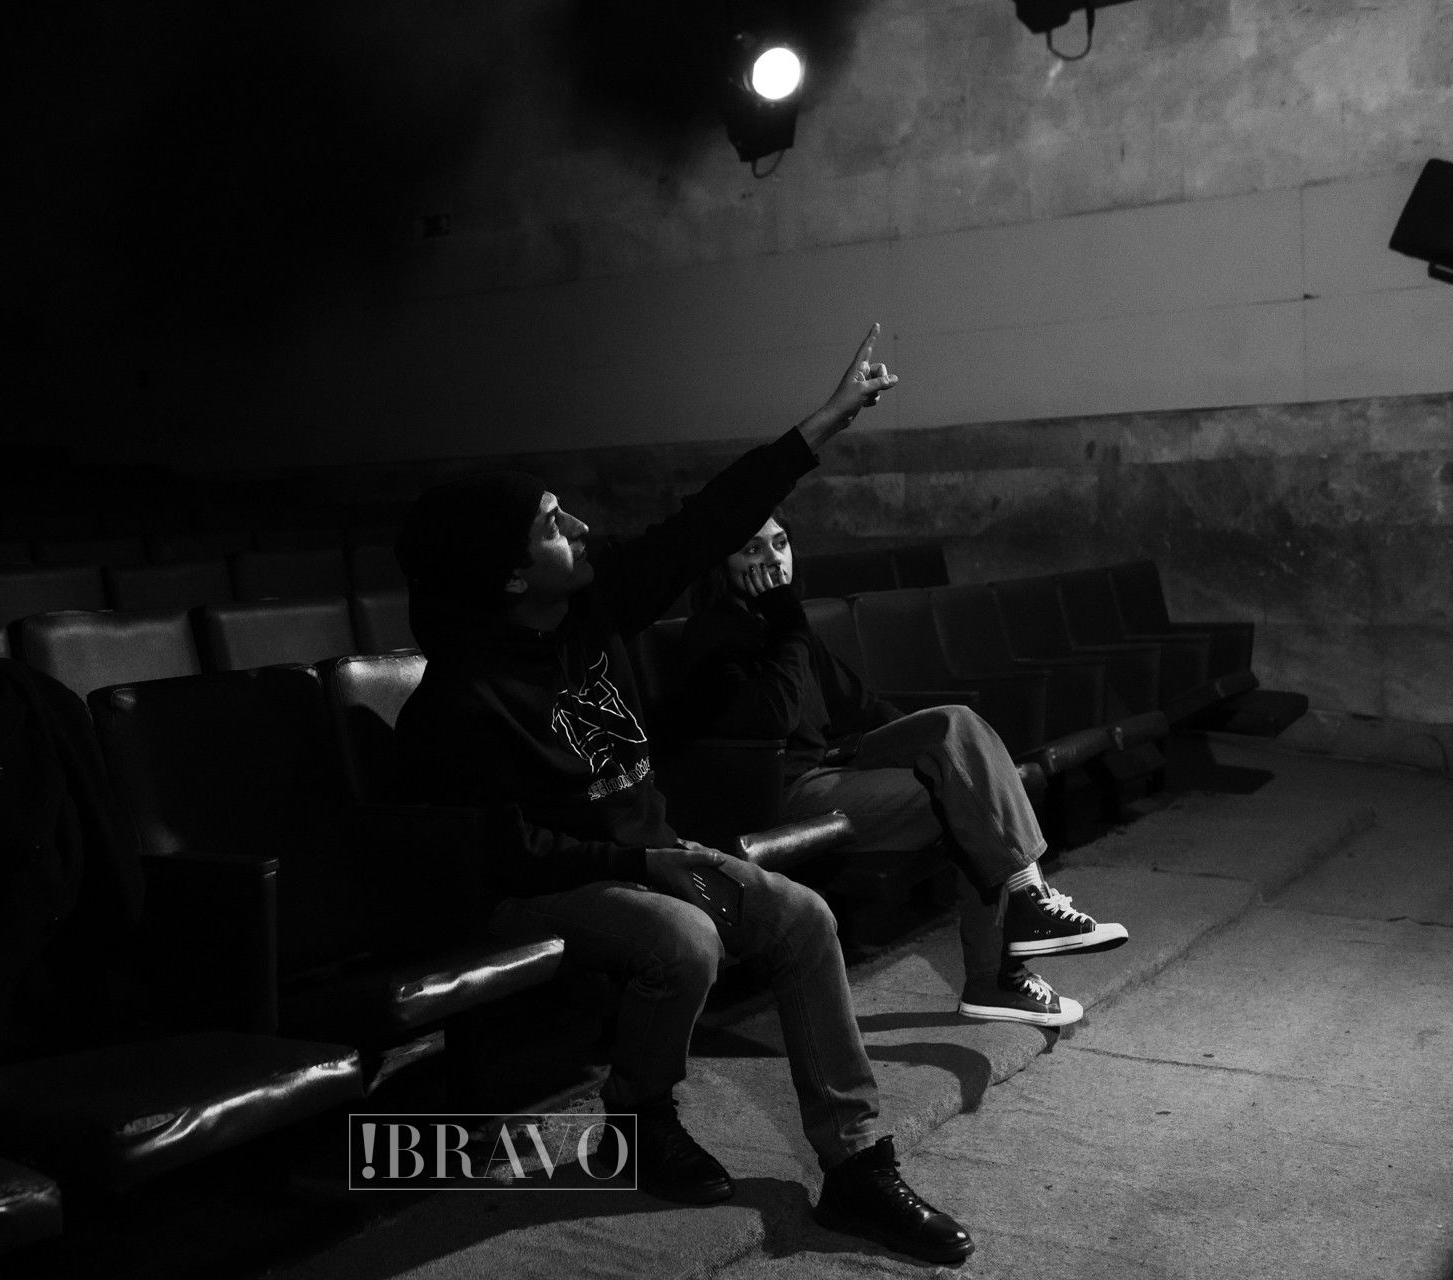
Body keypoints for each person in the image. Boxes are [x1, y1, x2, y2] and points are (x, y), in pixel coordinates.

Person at [392, 328, 976, 1266]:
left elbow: (706, 522)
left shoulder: (588, 610)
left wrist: (823, 423)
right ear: (509, 574)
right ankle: (641, 1114)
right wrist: (644, 862)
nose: (583, 529)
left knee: (803, 918)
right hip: (546, 885)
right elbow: (504, 854)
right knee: (684, 936)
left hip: (647, 857)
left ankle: (858, 1165)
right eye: (554, 525)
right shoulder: (457, 702)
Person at [678, 515, 1129, 1029]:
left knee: (956, 732)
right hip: (784, 792)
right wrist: (788, 625)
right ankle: (998, 975)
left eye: (780, 544)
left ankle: (1024, 908)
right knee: (967, 793)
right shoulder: (713, 632)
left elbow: (862, 707)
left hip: (836, 765)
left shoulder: (786, 626)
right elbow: (772, 716)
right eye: (752, 550)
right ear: (721, 564)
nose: (773, 559)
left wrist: (930, 748)